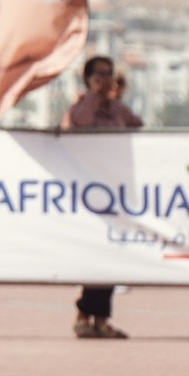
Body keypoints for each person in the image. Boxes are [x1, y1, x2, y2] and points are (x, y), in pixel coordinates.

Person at [61, 54, 142, 340]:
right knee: (93, 255)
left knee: (110, 255)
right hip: (88, 192)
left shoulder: (119, 110)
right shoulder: (82, 107)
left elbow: (138, 126)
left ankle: (101, 318)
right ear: (88, 78)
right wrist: (94, 97)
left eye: (108, 73)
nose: (104, 79)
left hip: (115, 192)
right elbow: (81, 122)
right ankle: (84, 315)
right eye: (97, 74)